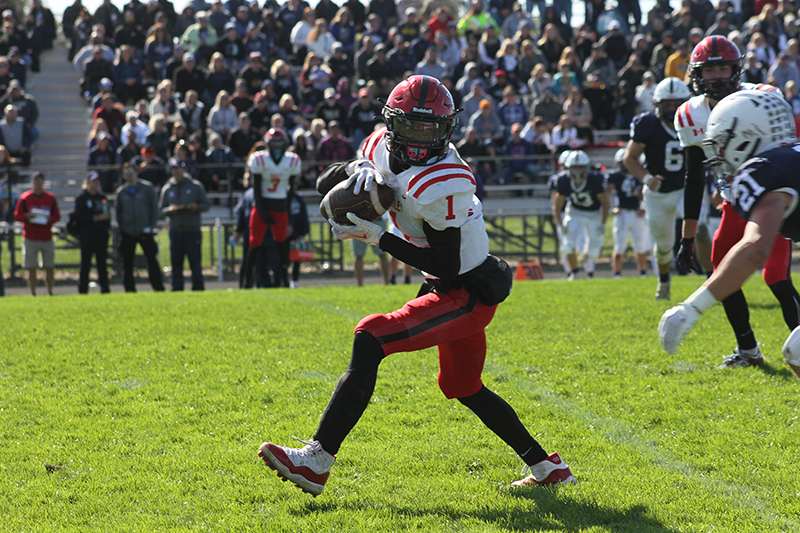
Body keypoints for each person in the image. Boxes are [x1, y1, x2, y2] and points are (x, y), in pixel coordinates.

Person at [258, 75, 575, 496]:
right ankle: (547, 467)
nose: (420, 140)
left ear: (448, 130)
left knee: (370, 337)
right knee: (462, 386)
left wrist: (377, 237)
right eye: (411, 127)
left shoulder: (445, 180)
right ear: (391, 124)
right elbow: (326, 185)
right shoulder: (377, 147)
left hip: (464, 291)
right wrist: (354, 171)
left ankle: (317, 461)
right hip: (443, 285)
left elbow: (443, 261)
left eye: (431, 129)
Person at [674, 36, 800, 368]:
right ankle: (748, 349)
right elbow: (695, 175)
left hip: (769, 189)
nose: (716, 76)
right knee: (723, 264)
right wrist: (688, 237)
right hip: (742, 197)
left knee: (775, 274)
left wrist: (691, 308)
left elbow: (756, 248)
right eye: (709, 70)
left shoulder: (763, 99)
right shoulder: (690, 114)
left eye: (723, 68)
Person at [623, 77, 692, 300]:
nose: (672, 109)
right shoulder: (647, 124)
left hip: (686, 187)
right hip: (658, 193)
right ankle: (664, 282)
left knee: (699, 230)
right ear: (658, 104)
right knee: (663, 247)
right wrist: (646, 178)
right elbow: (629, 159)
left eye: (676, 104)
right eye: (667, 104)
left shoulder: (695, 121)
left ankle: (712, 280)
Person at [247, 128, 301, 288]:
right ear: (268, 145)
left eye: (279, 143)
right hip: (262, 205)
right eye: (274, 143)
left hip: (279, 205)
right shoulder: (259, 159)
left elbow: (293, 186)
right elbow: (256, 187)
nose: (277, 147)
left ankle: (285, 282)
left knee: (281, 245)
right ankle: (245, 283)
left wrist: (286, 205)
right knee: (254, 244)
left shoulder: (291, 161)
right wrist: (262, 211)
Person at [551, 150, 609, 280]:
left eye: (580, 167)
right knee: (568, 245)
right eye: (574, 167)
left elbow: (606, 203)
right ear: (568, 167)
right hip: (574, 212)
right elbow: (557, 205)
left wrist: (603, 222)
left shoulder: (595, 180)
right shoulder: (563, 180)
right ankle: (574, 273)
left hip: (594, 214)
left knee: (594, 253)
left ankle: (586, 256)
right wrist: (560, 224)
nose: (577, 171)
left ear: (587, 167)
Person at [159, 157, 210, 291]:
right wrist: (170, 210)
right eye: (174, 169)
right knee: (176, 262)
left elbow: (206, 205)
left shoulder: (195, 186)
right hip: (176, 230)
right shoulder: (167, 188)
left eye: (178, 169)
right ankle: (177, 288)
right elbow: (161, 211)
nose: (176, 172)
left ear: (183, 169)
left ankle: (198, 288)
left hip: (192, 230)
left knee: (195, 262)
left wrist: (195, 207)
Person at [115, 163, 165, 292]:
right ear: (123, 175)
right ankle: (129, 289)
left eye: (131, 173)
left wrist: (150, 226)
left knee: (151, 260)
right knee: (127, 262)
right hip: (128, 232)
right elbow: (118, 213)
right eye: (127, 173)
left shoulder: (147, 188)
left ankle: (158, 287)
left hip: (145, 230)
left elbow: (154, 209)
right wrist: (124, 227)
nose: (130, 176)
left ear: (136, 173)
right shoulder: (121, 192)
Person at [14, 172, 59, 296]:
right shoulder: (25, 198)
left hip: (46, 236)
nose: (38, 183)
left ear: (43, 182)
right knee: (31, 267)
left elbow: (57, 216)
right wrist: (28, 216)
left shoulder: (50, 198)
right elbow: (17, 215)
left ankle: (50, 291)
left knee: (49, 266)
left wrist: (49, 218)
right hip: (30, 236)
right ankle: (33, 293)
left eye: (40, 181)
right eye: (36, 181)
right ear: (32, 182)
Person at [607, 148, 649, 278]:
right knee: (619, 247)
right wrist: (612, 208)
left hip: (636, 214)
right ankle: (617, 274)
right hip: (622, 213)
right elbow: (606, 194)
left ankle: (643, 273)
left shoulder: (640, 176)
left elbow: (645, 194)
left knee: (640, 246)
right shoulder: (614, 177)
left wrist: (644, 207)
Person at [74, 171, 110, 294]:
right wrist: (95, 218)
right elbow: (79, 216)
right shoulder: (82, 198)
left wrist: (101, 221)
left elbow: (107, 215)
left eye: (97, 181)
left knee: (102, 263)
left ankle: (105, 288)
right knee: (85, 263)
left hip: (101, 234)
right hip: (87, 235)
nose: (96, 184)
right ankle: (83, 289)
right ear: (87, 182)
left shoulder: (102, 197)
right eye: (93, 181)